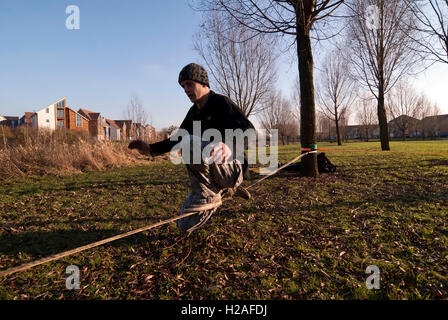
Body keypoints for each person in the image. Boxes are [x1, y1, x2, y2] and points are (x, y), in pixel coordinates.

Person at [128, 63, 255, 234]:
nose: (186, 90)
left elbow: (249, 131)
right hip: (214, 171)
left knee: (190, 142)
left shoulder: (221, 102)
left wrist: (228, 145)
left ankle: (214, 192)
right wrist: (150, 148)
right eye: (183, 86)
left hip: (232, 168)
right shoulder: (193, 112)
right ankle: (219, 190)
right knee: (184, 225)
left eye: (189, 84)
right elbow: (177, 139)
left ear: (204, 84)